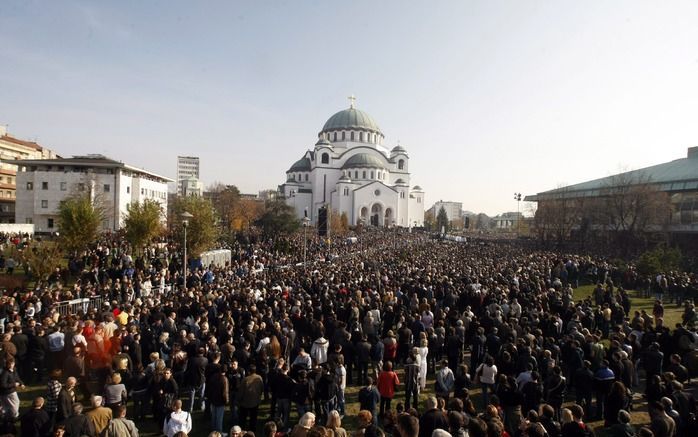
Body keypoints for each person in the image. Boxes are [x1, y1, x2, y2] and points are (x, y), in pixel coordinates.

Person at [238, 363, 264, 432]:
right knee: (253, 419)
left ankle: (242, 430)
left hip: (245, 403)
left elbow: (241, 392)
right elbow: (262, 389)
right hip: (255, 402)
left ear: (248, 371)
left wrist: (239, 400)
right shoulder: (259, 378)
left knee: (243, 419)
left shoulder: (245, 380)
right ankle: (252, 431)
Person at [206, 363, 229, 434]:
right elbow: (225, 392)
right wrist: (226, 401)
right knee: (219, 418)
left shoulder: (213, 376)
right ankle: (218, 433)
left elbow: (209, 388)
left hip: (213, 399)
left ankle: (213, 430)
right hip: (220, 401)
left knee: (214, 416)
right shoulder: (224, 379)